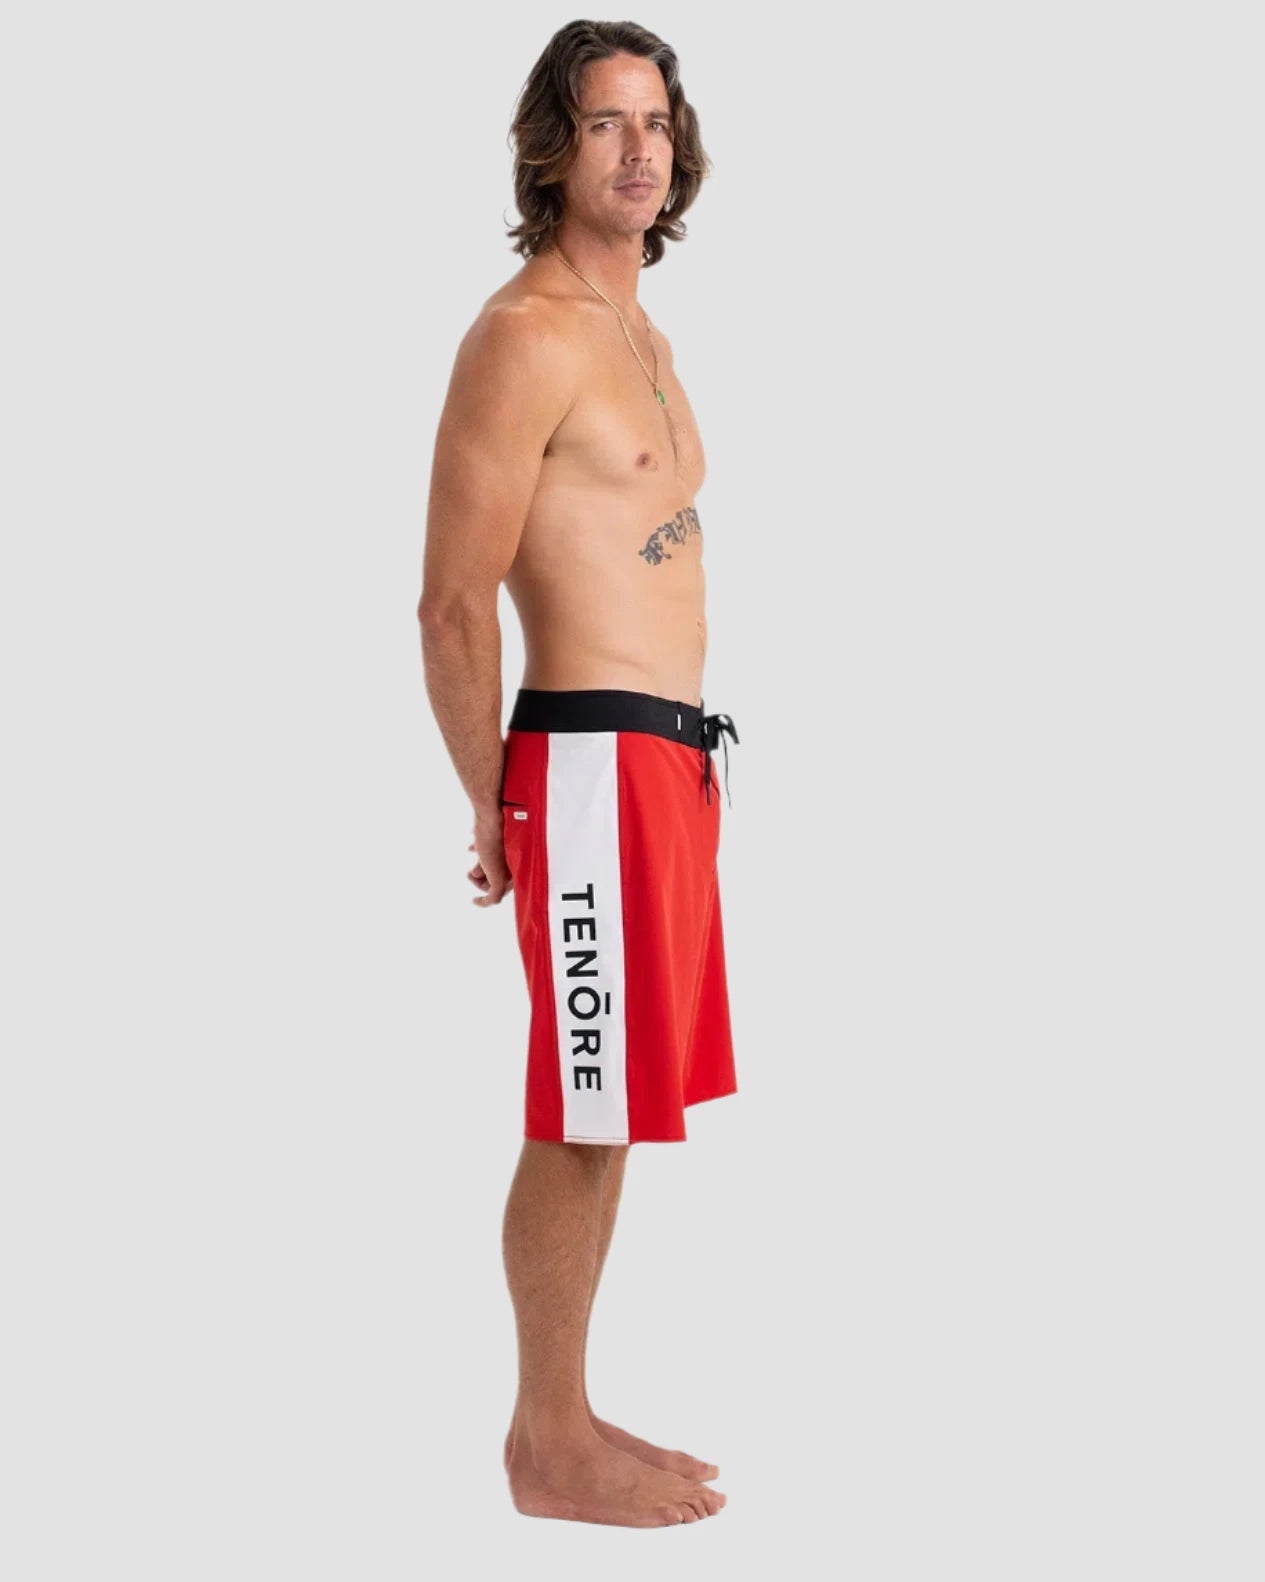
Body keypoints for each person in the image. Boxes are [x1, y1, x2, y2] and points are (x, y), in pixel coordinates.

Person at [417, 19, 740, 1529]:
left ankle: (568, 1407)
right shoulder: (526, 334)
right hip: (588, 762)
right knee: (580, 1099)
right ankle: (544, 1441)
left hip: (667, 764)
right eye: (606, 124)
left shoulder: (642, 335)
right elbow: (449, 597)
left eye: (654, 124)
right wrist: (490, 798)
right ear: (553, 149)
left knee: (611, 1102)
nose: (638, 150)